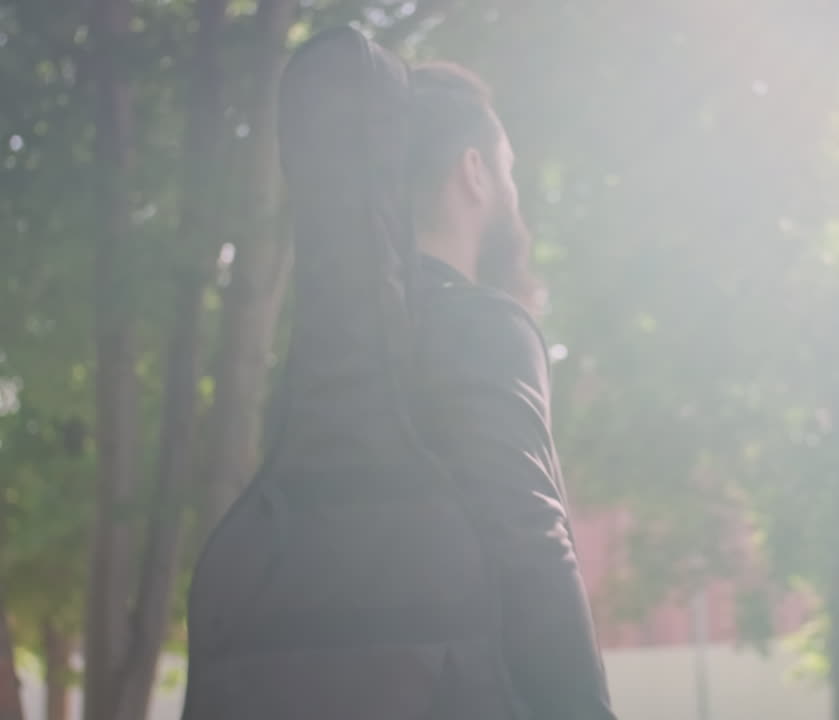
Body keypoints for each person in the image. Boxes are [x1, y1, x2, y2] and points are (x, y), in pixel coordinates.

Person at [180, 27, 616, 720]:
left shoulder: (312, 373)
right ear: (474, 172)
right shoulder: (485, 327)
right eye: (507, 169)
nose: (513, 192)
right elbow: (531, 548)